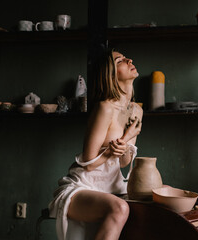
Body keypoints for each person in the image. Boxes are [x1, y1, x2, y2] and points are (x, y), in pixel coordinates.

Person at [48, 48, 143, 240]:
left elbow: (123, 162)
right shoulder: (104, 107)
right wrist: (125, 139)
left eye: (126, 58)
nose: (129, 59)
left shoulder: (136, 111)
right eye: (120, 60)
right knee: (120, 208)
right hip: (83, 186)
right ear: (110, 74)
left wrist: (125, 144)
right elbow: (89, 163)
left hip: (113, 186)